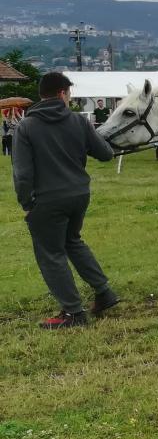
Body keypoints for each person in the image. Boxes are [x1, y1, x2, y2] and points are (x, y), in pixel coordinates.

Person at [12, 72, 119, 329]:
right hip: (79, 194)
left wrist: (27, 203)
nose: (70, 99)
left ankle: (73, 312)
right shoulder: (78, 122)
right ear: (62, 93)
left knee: (51, 254)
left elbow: (22, 173)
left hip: (48, 199)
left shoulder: (27, 126)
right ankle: (104, 292)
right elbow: (105, 154)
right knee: (73, 241)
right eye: (70, 94)